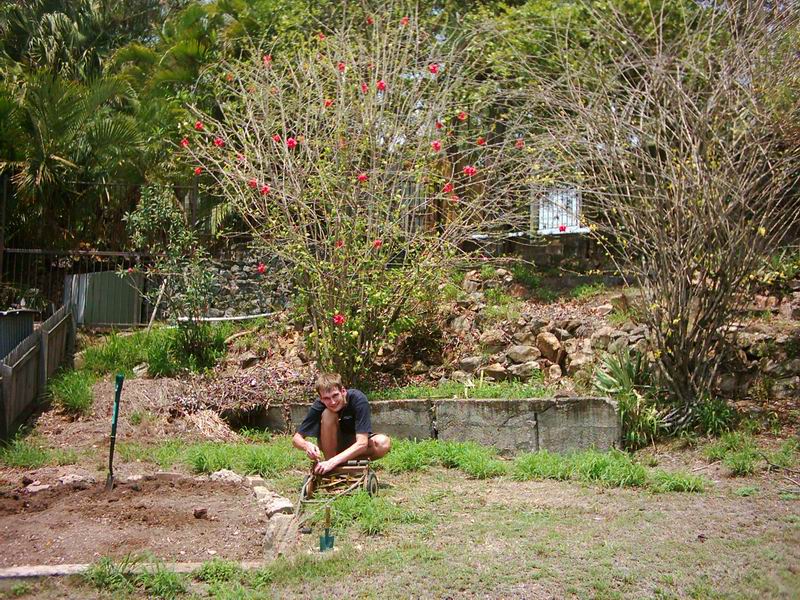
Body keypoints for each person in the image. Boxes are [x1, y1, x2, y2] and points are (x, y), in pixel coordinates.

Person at [292, 372, 391, 475]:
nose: (332, 402)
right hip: (331, 444)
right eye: (326, 398)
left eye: (335, 395)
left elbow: (362, 443)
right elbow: (296, 439)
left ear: (343, 391)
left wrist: (333, 461)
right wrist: (307, 445)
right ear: (321, 399)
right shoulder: (319, 405)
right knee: (328, 414)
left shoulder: (358, 399)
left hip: (354, 444)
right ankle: (331, 465)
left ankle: (337, 463)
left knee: (383, 443)